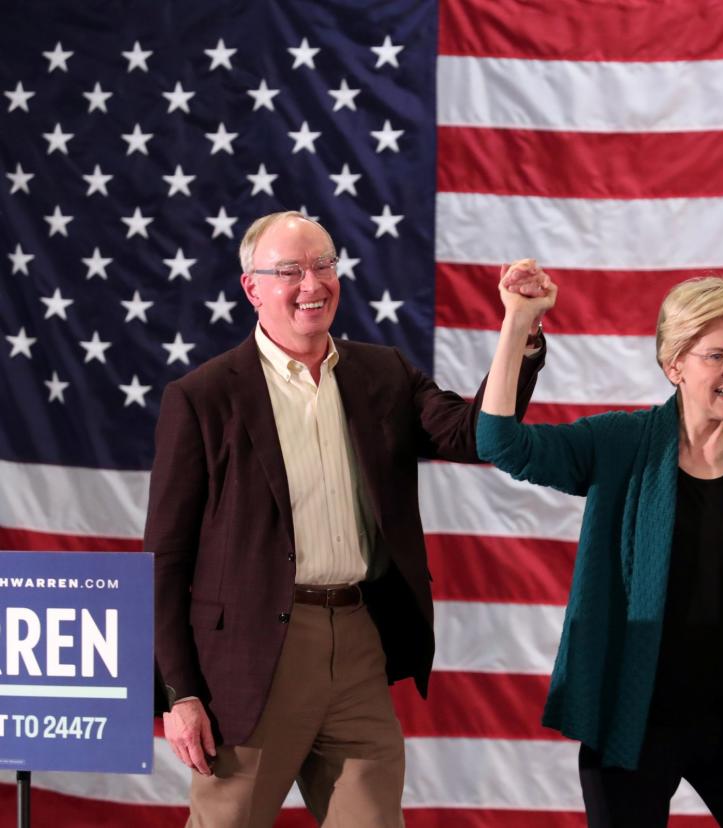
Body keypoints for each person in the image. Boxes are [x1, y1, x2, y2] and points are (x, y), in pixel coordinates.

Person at [145, 211, 546, 827]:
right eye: (289, 271)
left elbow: (476, 437)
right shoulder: (203, 397)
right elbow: (165, 560)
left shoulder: (383, 373)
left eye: (323, 265)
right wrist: (180, 693)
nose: (312, 283)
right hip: (250, 663)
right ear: (253, 288)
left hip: (358, 643)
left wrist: (519, 327)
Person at [479, 263, 723, 826]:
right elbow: (500, 442)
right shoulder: (621, 442)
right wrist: (519, 322)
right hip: (632, 716)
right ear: (674, 365)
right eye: (718, 356)